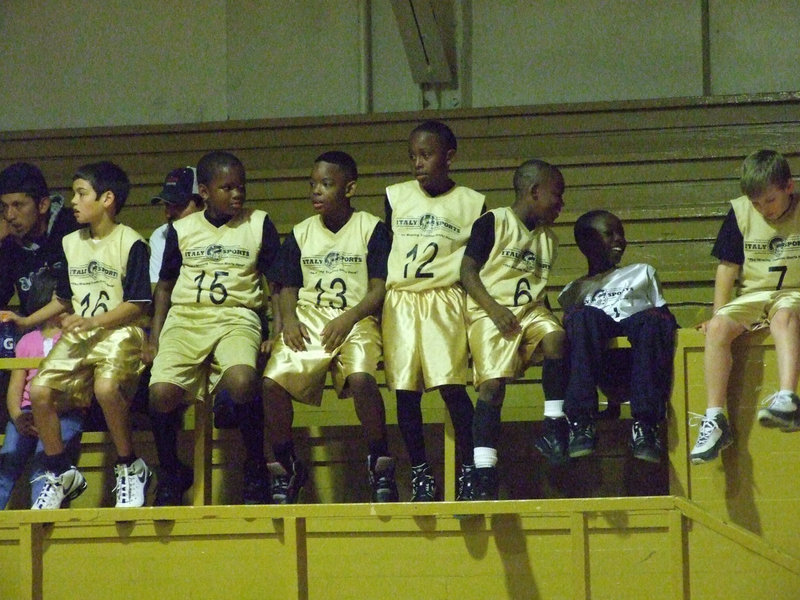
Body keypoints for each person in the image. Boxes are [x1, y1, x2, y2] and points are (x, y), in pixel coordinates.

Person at [2, 161, 152, 509]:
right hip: (84, 334)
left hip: (119, 332)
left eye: (81, 193)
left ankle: (130, 465)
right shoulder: (71, 243)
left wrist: (93, 322)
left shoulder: (131, 242)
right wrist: (26, 321)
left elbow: (137, 304)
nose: (73, 201)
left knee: (105, 389)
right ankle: (60, 471)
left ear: (107, 199)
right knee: (40, 391)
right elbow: (64, 298)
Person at [262, 151, 397, 503]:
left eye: (326, 184)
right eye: (312, 185)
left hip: (356, 317)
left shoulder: (371, 228)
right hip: (310, 318)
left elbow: (379, 289)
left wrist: (349, 318)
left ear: (349, 188)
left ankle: (380, 460)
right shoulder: (301, 232)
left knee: (362, 380)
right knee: (271, 384)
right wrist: (289, 320)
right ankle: (287, 464)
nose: (316, 191)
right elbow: (287, 287)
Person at [148, 151, 280, 505]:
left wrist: (276, 331)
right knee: (160, 393)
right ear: (205, 192)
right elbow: (164, 287)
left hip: (237, 316)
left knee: (242, 380)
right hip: (186, 319)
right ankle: (171, 471)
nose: (238, 194)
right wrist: (154, 337)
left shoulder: (258, 223)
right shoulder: (182, 229)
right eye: (228, 188)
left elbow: (277, 284)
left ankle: (255, 466)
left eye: (241, 187)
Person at [382, 120, 485, 501]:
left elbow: (478, 264)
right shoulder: (396, 196)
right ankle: (420, 472)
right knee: (405, 392)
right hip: (401, 299)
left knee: (452, 388)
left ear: (449, 156)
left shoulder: (473, 203)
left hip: (445, 298)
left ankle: (469, 468)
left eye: (426, 155)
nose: (417, 163)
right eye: (412, 156)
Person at [460, 159, 567, 499]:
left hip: (530, 311)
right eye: (557, 195)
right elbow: (467, 273)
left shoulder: (549, 239)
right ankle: (484, 470)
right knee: (492, 387)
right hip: (490, 311)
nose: (561, 203)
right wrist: (493, 308)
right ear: (534, 191)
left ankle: (554, 424)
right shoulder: (493, 221)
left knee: (556, 337)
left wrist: (551, 318)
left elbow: (537, 287)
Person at [691, 149, 800, 464]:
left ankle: (788, 398)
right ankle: (715, 418)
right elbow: (727, 269)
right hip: (753, 295)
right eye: (756, 203)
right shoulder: (739, 212)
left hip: (793, 292)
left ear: (789, 186)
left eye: (770, 200)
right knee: (718, 327)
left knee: (784, 317)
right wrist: (717, 314)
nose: (764, 209)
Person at [558, 210, 678, 463]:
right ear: (587, 242)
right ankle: (581, 421)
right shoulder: (572, 291)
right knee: (582, 317)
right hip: (602, 368)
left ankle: (646, 425)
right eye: (609, 233)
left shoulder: (642, 272)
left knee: (653, 319)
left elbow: (665, 319)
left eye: (621, 233)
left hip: (639, 363)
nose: (619, 240)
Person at [0, 317, 84, 509]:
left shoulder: (75, 337)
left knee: (46, 458)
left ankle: (41, 514)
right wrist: (17, 416)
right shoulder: (27, 340)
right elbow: (15, 387)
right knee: (9, 457)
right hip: (27, 412)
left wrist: (47, 414)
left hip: (63, 409)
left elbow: (77, 387)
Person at [0, 162, 79, 316]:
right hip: (32, 328)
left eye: (18, 205)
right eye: (4, 207)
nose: (9, 215)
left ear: (43, 205)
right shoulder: (9, 241)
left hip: (77, 323)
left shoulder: (73, 228)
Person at [148, 166, 204, 284]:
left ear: (202, 203)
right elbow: (157, 286)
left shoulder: (224, 233)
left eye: (178, 205)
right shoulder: (161, 235)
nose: (168, 214)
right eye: (167, 205)